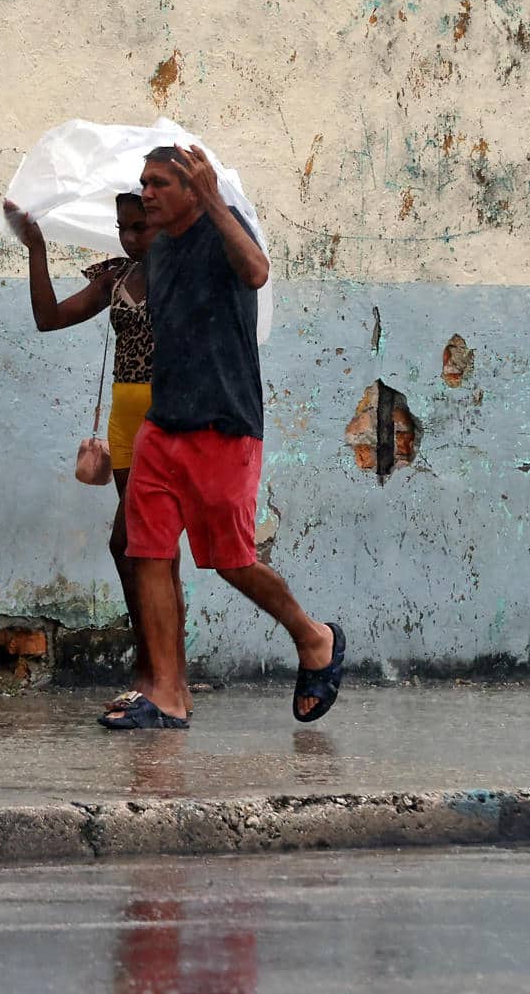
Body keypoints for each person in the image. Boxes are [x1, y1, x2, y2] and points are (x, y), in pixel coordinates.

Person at [102, 144, 345, 730]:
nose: (147, 193)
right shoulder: (158, 253)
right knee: (147, 555)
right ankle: (167, 695)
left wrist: (216, 202)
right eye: (144, 183)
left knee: (231, 563)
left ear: (192, 190)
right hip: (164, 427)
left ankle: (315, 638)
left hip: (224, 426)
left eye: (159, 183)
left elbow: (257, 272)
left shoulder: (220, 230)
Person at [2, 192, 184, 711]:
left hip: (164, 421)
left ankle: (160, 677)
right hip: (124, 425)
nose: (130, 237)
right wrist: (36, 249)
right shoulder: (117, 277)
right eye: (123, 227)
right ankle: (165, 678)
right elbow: (49, 318)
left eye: (141, 226)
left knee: (137, 546)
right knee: (149, 554)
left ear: (165, 223)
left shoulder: (186, 277)